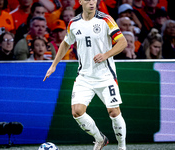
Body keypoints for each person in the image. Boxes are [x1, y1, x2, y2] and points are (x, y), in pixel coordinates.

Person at [43, 0, 127, 149]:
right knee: (77, 112)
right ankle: (100, 139)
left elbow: (122, 42)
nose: (91, 2)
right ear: (80, 1)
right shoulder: (74, 23)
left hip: (105, 75)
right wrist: (53, 65)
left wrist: (106, 54)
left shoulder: (106, 19)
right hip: (84, 77)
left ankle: (122, 146)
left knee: (114, 112)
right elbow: (66, 43)